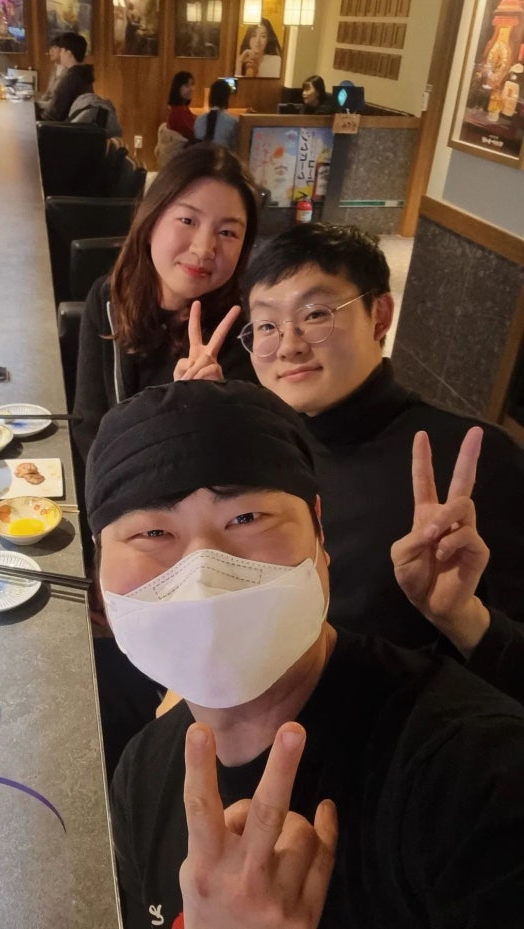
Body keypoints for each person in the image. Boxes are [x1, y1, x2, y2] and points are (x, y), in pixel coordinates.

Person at [85, 377, 524, 929]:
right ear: (99, 564)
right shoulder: (141, 777)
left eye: (246, 518)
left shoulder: (472, 776)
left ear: (319, 531)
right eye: (152, 533)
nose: (204, 575)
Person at [235, 223, 524, 703]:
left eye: (315, 314)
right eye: (267, 325)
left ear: (379, 316)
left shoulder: (472, 460)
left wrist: (461, 617)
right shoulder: (265, 444)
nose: (288, 345)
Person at [71, 142, 260, 464]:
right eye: (188, 220)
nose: (204, 248)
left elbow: (244, 462)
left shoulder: (247, 331)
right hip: (111, 485)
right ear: (151, 220)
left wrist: (209, 407)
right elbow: (89, 427)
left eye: (228, 232)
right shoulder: (108, 297)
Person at [42, 31, 94, 122]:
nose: (60, 54)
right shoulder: (83, 74)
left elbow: (53, 115)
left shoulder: (71, 78)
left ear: (69, 52)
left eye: (61, 50)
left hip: (59, 127)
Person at [193, 79, 239, 151]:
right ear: (227, 98)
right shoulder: (233, 122)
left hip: (201, 157)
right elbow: (235, 148)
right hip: (222, 157)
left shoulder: (198, 120)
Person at [35, 37, 66, 118]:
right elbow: (48, 93)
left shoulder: (69, 72)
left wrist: (38, 104)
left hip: (56, 114)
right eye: (50, 48)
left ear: (64, 50)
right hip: (48, 107)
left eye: (55, 47)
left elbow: (58, 102)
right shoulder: (55, 67)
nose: (50, 51)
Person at [165, 70, 196, 139]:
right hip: (186, 144)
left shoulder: (181, 107)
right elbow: (192, 133)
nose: (191, 89)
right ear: (177, 88)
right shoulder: (179, 111)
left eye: (192, 85)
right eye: (187, 86)